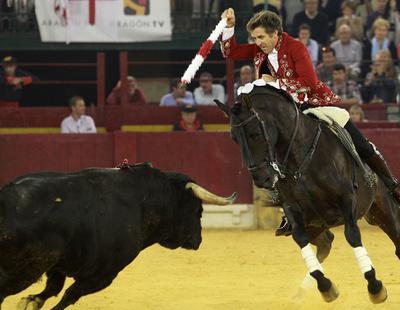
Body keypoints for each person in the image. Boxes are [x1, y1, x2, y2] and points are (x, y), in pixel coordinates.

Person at [220, 8, 400, 234]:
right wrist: (229, 26)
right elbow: (230, 52)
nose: (258, 42)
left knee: (358, 141)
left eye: (261, 37)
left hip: (314, 103)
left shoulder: (296, 47)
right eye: (255, 38)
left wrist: (276, 85)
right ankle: (289, 207)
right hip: (286, 112)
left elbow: (308, 81)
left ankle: (391, 184)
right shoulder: (260, 50)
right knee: (272, 149)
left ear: (275, 33)